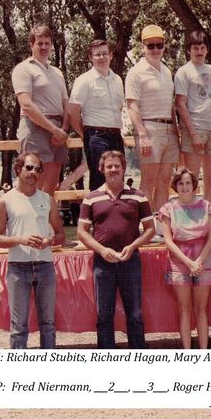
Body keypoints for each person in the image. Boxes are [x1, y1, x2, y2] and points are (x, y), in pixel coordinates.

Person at [77, 150, 155, 349]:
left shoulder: (138, 197)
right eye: (109, 166)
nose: (113, 170)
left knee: (135, 314)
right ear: (101, 169)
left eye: (117, 166)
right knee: (104, 315)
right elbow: (81, 232)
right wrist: (102, 251)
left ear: (123, 168)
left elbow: (150, 229)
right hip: (103, 263)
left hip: (130, 260)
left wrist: (133, 246)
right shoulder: (91, 198)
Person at [0, 152, 64, 349]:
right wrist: (21, 239)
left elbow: (61, 235)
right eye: (29, 167)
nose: (33, 172)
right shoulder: (5, 200)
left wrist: (50, 241)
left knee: (48, 324)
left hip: (45, 266)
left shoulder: (48, 200)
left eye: (37, 169)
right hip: (18, 267)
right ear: (18, 169)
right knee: (18, 326)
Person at [159, 167, 211, 349]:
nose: (184, 187)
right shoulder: (168, 208)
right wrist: (188, 262)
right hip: (179, 260)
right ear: (175, 186)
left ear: (194, 185)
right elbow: (168, 240)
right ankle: (187, 352)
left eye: (188, 183)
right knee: (184, 310)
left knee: (201, 310)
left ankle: (203, 352)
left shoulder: (206, 206)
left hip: (204, 259)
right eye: (180, 183)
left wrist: (198, 261)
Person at [174, 30, 211, 215]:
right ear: (189, 50)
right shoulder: (183, 72)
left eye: (202, 47)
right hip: (194, 130)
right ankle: (190, 223)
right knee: (189, 182)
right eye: (195, 47)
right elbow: (180, 105)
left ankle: (210, 225)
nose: (199, 51)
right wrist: (193, 133)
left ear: (207, 50)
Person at [12, 24, 70, 195]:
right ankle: (27, 222)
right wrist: (53, 129)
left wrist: (63, 130)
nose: (44, 47)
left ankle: (47, 223)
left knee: (49, 190)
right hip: (35, 129)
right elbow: (27, 105)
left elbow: (66, 103)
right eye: (40, 43)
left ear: (52, 45)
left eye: (47, 43)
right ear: (31, 45)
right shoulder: (23, 69)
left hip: (58, 132)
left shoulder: (57, 72)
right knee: (32, 187)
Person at [125, 24, 177, 215]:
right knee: (149, 181)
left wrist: (176, 133)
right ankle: (144, 225)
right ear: (142, 46)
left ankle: (160, 224)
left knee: (164, 181)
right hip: (149, 128)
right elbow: (132, 106)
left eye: (159, 45)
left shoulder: (167, 71)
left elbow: (171, 105)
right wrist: (142, 135)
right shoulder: (136, 73)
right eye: (150, 46)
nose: (155, 49)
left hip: (169, 130)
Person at [67, 39, 125, 191]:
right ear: (90, 57)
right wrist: (85, 134)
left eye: (105, 53)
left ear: (111, 55)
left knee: (118, 177)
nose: (101, 58)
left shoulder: (117, 80)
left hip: (116, 135)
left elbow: (118, 107)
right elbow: (73, 111)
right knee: (100, 180)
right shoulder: (84, 81)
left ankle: (116, 214)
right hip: (96, 135)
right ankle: (97, 214)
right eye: (97, 54)